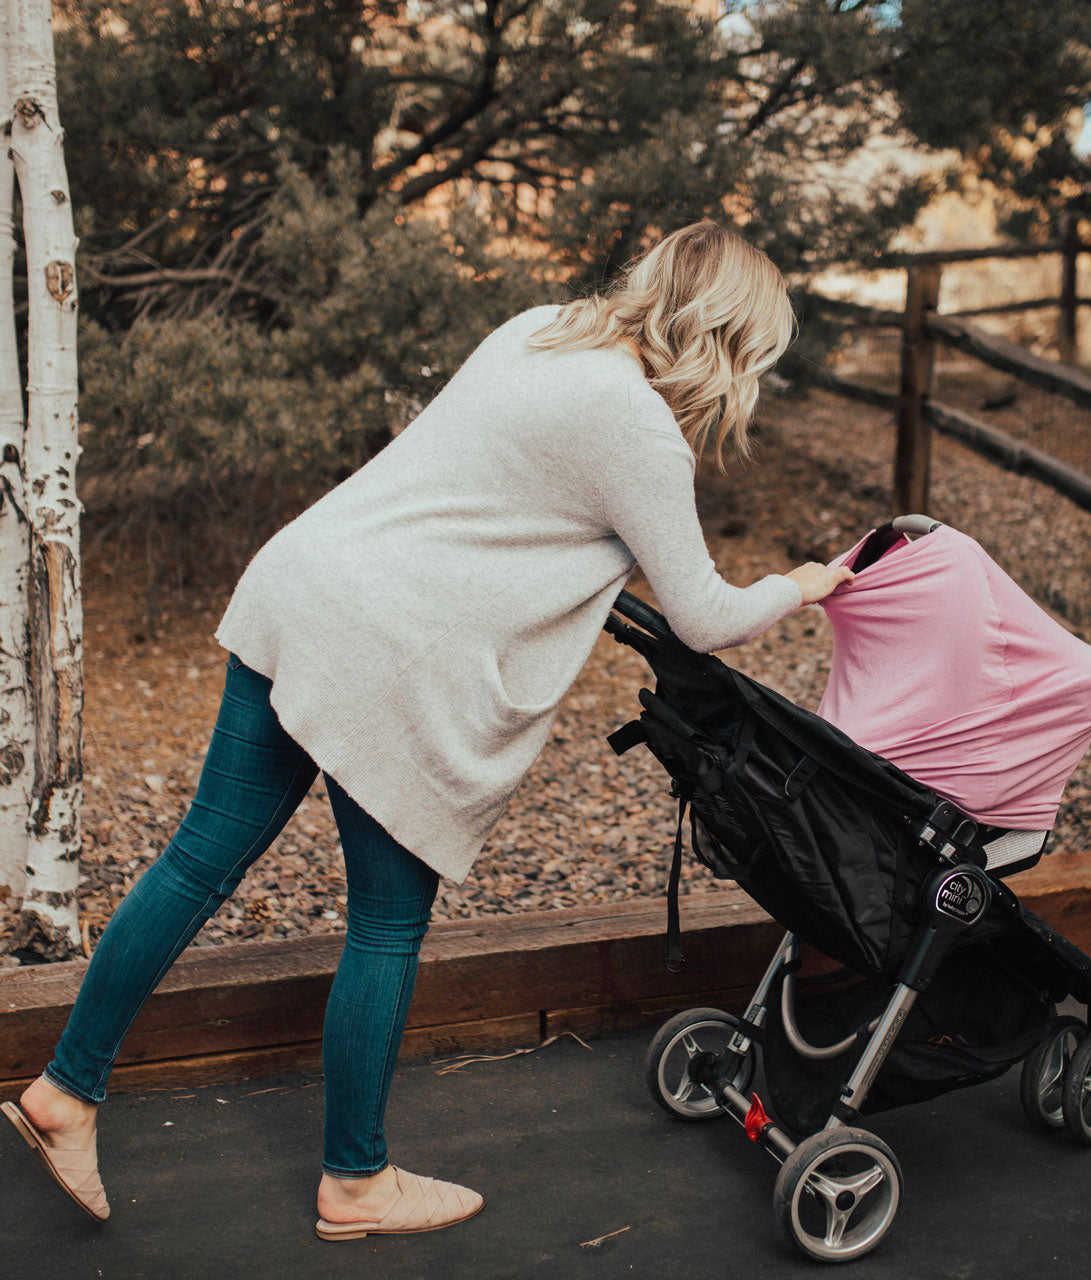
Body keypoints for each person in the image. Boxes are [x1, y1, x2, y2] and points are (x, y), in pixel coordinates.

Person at [2, 219, 855, 1242]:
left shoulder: (541, 330)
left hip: (303, 586)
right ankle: (355, 1182)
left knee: (194, 862)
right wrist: (800, 584)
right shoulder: (636, 426)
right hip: (386, 660)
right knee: (386, 925)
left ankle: (67, 1087)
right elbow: (704, 615)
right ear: (728, 338)